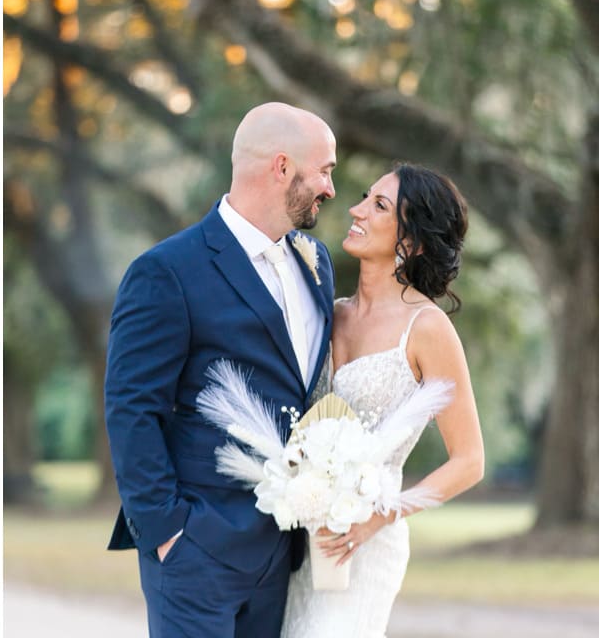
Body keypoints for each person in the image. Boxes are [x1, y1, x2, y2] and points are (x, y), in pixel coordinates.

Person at [105, 102, 338, 637]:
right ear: (282, 167)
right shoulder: (167, 271)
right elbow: (131, 408)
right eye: (324, 170)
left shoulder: (316, 262)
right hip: (196, 552)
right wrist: (168, 533)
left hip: (282, 554)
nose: (330, 187)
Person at [281, 164, 484, 636]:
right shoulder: (326, 315)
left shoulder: (427, 328)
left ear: (410, 242)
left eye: (378, 206)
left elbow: (470, 461)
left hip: (368, 543)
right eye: (364, 196)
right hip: (301, 539)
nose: (355, 210)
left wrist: (380, 516)